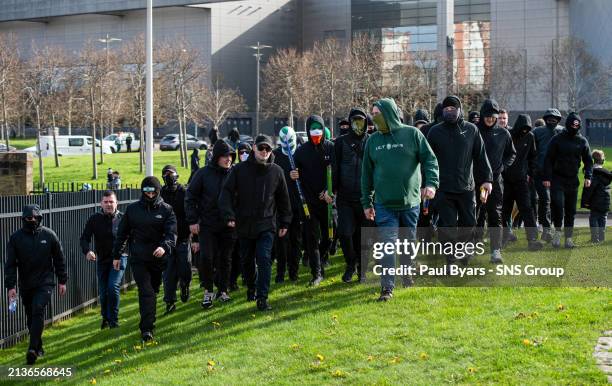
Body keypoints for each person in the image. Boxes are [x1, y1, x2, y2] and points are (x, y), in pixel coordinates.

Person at [361, 98, 439, 301]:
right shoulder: (373, 141)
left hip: (410, 203)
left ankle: (407, 272)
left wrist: (431, 184)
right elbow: (366, 175)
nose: (374, 117)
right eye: (373, 113)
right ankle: (387, 288)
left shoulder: (412, 134)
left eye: (377, 113)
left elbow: (430, 159)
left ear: (389, 113)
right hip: (384, 205)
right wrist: (366, 203)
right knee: (387, 245)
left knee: (408, 242)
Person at [219, 135, 292, 311]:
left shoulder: (277, 171)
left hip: (267, 224)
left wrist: (285, 222)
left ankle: (262, 297)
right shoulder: (239, 170)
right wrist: (229, 215)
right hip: (244, 224)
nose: (264, 152)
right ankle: (251, 287)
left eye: (267, 149)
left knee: (264, 258)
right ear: (254, 148)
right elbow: (226, 193)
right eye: (261, 148)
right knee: (247, 261)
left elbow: (283, 199)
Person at [427, 95, 492, 265]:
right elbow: (427, 160)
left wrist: (487, 179)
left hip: (466, 187)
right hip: (444, 189)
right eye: (446, 109)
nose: (450, 112)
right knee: (447, 226)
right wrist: (427, 183)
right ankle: (450, 258)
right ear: (442, 111)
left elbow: (480, 155)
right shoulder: (435, 132)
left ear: (460, 110)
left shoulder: (471, 130)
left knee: (469, 223)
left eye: (453, 109)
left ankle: (464, 251)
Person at [111, 176, 177, 341]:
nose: (150, 194)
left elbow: (172, 233)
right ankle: (146, 329)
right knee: (146, 291)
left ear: (158, 191)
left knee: (153, 291)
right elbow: (122, 234)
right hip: (138, 258)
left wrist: (164, 246)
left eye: (153, 190)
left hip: (157, 258)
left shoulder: (167, 210)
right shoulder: (132, 210)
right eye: (146, 190)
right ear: (142, 191)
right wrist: (117, 255)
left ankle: (150, 318)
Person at [5, 204, 68, 365]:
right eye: (28, 218)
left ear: (39, 218)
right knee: (30, 316)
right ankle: (38, 346)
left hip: (45, 282)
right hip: (26, 283)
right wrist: (11, 286)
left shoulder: (49, 235)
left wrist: (62, 280)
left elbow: (59, 259)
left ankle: (32, 349)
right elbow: (10, 264)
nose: (31, 220)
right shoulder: (15, 238)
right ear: (23, 219)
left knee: (38, 309)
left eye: (34, 217)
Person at [185, 140, 237, 308]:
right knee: (207, 258)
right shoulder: (203, 174)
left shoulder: (234, 173)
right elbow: (190, 197)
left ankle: (223, 290)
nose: (228, 159)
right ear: (216, 157)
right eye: (224, 156)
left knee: (226, 259)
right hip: (207, 224)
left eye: (230, 156)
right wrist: (192, 221)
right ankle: (208, 290)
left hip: (228, 224)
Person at [292, 115, 335, 286]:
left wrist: (329, 191)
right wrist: (293, 174)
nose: (316, 132)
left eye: (319, 128)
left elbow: (336, 172)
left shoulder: (331, 148)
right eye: (312, 128)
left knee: (329, 237)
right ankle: (316, 273)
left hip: (327, 200)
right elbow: (295, 173)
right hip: (309, 203)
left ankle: (319, 257)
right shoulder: (301, 152)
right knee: (311, 237)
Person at [334, 107, 372, 283]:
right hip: (345, 197)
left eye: (361, 120)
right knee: (345, 232)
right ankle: (351, 263)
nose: (358, 123)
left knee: (364, 236)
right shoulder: (340, 142)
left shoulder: (371, 141)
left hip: (365, 197)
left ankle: (362, 270)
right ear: (349, 123)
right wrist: (331, 190)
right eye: (355, 120)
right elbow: (334, 168)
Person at [543, 113, 593, 248]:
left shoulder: (582, 141)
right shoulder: (557, 139)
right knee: (558, 206)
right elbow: (548, 159)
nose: (575, 127)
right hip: (557, 178)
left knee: (571, 210)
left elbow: (588, 161)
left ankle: (568, 239)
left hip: (573, 180)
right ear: (568, 124)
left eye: (577, 125)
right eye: (573, 125)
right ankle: (558, 234)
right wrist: (547, 177)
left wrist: (588, 176)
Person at [475, 99, 516, 263]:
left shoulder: (503, 133)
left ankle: (495, 250)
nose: (490, 120)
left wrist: (502, 167)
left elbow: (511, 154)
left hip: (496, 181)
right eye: (487, 117)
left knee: (495, 215)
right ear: (482, 116)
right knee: (475, 215)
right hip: (476, 180)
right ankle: (472, 246)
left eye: (493, 117)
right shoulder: (474, 131)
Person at [80, 190, 127, 329]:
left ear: (116, 203)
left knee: (113, 287)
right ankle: (105, 318)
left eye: (111, 202)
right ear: (101, 203)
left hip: (119, 259)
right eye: (105, 202)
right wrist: (87, 251)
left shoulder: (123, 219)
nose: (108, 204)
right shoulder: (95, 219)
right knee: (103, 291)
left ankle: (114, 320)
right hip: (102, 260)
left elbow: (131, 238)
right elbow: (84, 238)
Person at [501, 114, 544, 250]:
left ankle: (532, 240)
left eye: (527, 128)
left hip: (521, 181)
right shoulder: (508, 135)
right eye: (523, 128)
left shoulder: (530, 137)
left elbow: (533, 157)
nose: (524, 131)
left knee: (527, 209)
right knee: (505, 210)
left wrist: (530, 174)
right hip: (506, 180)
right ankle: (504, 237)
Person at [160, 165, 193, 314]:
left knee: (185, 267)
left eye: (170, 173)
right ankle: (170, 302)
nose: (168, 176)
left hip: (183, 237)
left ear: (176, 175)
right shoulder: (160, 194)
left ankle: (185, 284)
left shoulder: (184, 192)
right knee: (168, 273)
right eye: (165, 174)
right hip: (166, 240)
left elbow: (191, 212)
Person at [273, 126, 303, 283]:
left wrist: (300, 175)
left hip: (297, 204)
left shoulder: (300, 153)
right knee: (281, 241)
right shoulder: (275, 155)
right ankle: (280, 273)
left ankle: (294, 272)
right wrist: (286, 175)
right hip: (280, 206)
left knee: (295, 240)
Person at [533, 108, 564, 241]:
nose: (552, 120)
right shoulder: (537, 132)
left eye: (555, 118)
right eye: (549, 118)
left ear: (558, 120)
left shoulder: (563, 132)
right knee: (545, 200)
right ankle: (546, 228)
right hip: (540, 172)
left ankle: (556, 228)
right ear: (545, 119)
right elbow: (531, 152)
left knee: (557, 201)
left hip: (558, 174)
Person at [581, 149, 611, 243]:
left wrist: (585, 201)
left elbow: (589, 189)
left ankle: (595, 238)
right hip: (605, 200)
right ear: (602, 160)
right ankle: (601, 237)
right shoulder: (607, 174)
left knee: (594, 218)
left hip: (595, 200)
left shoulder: (592, 174)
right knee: (603, 218)